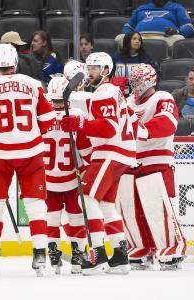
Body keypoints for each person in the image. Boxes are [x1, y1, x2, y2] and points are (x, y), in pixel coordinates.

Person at [0, 44, 56, 277]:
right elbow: (47, 121)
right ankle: (39, 254)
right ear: (16, 62)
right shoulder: (35, 85)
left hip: (0, 154)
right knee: (36, 204)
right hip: (31, 152)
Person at [61, 52, 136, 275]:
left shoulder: (104, 92)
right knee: (105, 204)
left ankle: (98, 255)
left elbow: (109, 127)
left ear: (105, 70)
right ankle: (120, 256)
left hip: (110, 152)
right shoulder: (110, 91)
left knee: (86, 196)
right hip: (118, 152)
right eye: (88, 67)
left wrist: (80, 122)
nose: (89, 72)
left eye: (93, 68)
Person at [122, 63, 186, 270]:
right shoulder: (126, 101)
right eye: (133, 80)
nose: (135, 84)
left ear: (150, 80)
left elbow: (167, 123)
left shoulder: (163, 97)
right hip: (130, 159)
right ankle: (139, 248)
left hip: (158, 160)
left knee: (160, 208)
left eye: (139, 80)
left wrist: (140, 130)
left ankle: (170, 249)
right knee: (131, 208)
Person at [43, 77, 92, 275]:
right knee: (77, 217)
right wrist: (88, 165)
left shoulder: (42, 117)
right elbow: (86, 149)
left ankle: (54, 255)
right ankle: (77, 257)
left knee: (51, 218)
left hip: (48, 178)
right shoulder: (77, 115)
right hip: (72, 178)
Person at [120, 0, 194, 47]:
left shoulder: (177, 7)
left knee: (179, 38)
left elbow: (189, 26)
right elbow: (128, 26)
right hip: (140, 38)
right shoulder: (141, 8)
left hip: (166, 37)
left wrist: (177, 32)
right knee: (119, 38)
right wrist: (129, 35)